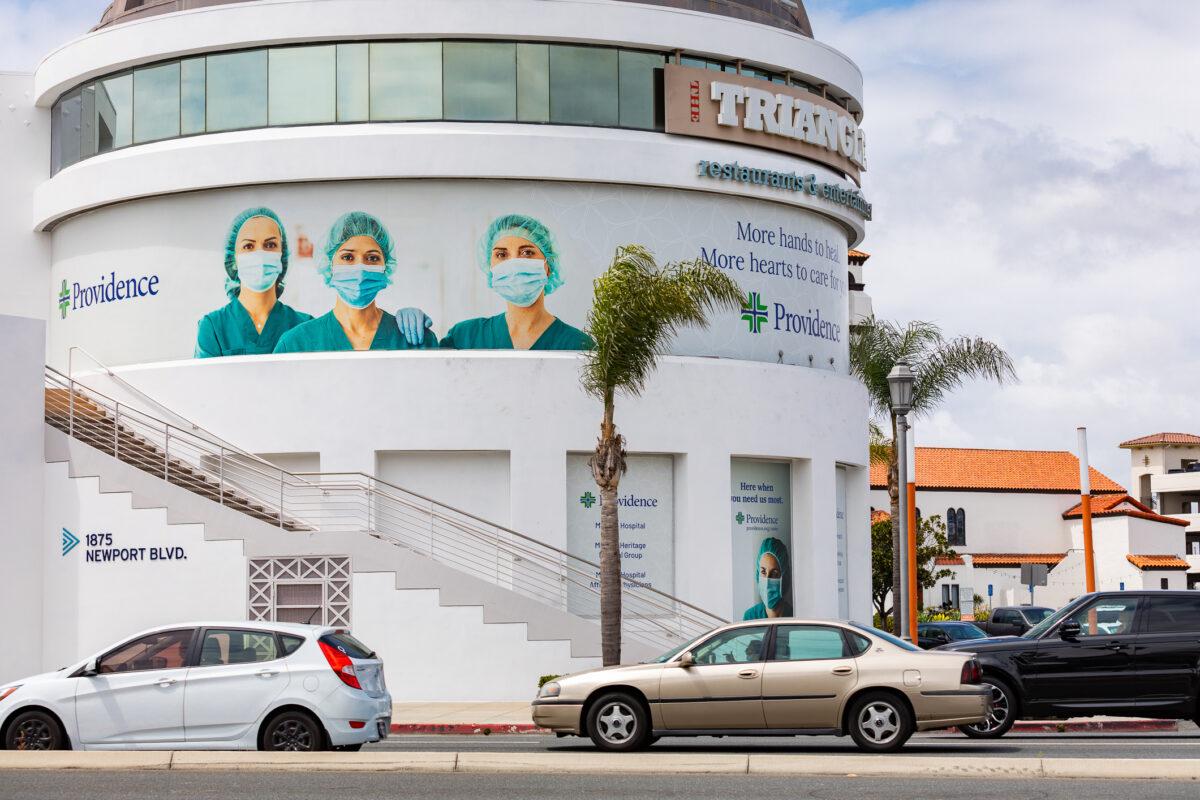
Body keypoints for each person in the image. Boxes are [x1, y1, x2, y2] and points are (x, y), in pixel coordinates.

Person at [274, 211, 438, 353]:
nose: (360, 268)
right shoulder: (295, 344)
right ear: (330, 265)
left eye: (372, 258)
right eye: (348, 257)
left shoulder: (414, 340)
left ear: (385, 267)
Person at [440, 214, 593, 351]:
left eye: (527, 253)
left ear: (548, 266)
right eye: (501, 254)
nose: (514, 264)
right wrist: (418, 339)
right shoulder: (464, 338)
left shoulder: (578, 346)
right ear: (490, 267)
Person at [195, 207, 313, 357]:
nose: (260, 254)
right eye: (248, 246)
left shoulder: (304, 326)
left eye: (270, 245)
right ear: (233, 261)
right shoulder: (213, 327)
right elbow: (205, 380)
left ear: (282, 256)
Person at [743, 537, 793, 620]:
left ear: (784, 578)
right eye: (763, 572)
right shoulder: (750, 617)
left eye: (774, 573)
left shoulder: (794, 616)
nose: (767, 580)